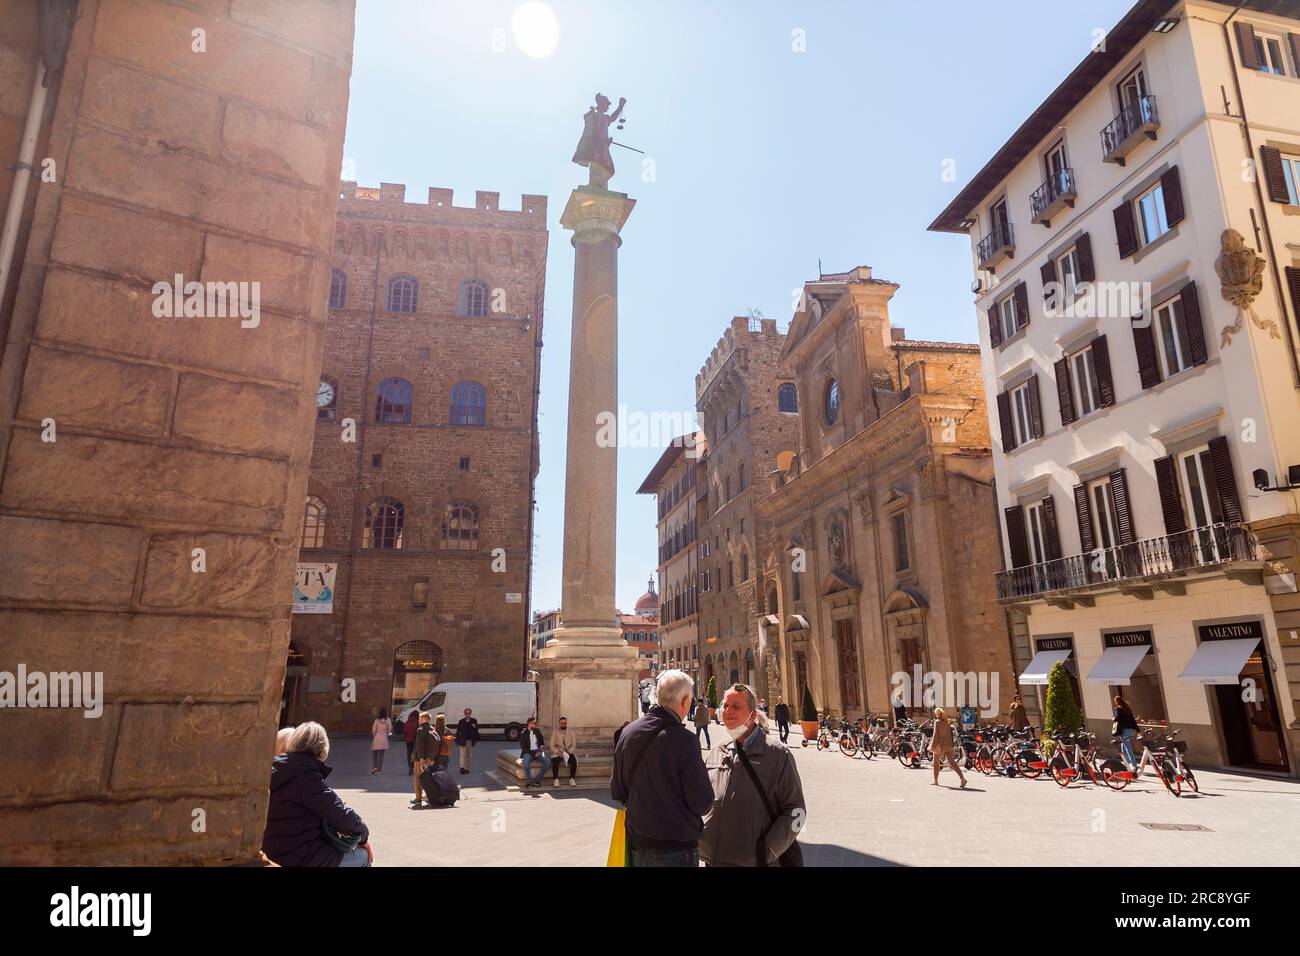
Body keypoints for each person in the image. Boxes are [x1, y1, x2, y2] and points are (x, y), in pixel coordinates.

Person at [611, 669, 713, 867]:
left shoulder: (628, 733)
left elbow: (617, 791)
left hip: (637, 844)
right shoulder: (685, 740)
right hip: (675, 848)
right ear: (684, 700)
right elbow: (702, 801)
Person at [700, 684, 805, 867]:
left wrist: (766, 852)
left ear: (753, 715)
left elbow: (797, 812)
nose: (728, 711)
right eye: (725, 705)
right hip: (712, 861)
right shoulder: (717, 751)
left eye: (736, 706)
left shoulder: (778, 755)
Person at [263, 722, 372, 867]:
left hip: (271, 851)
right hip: (300, 857)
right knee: (364, 857)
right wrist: (364, 838)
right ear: (322, 750)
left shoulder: (273, 769)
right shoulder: (306, 776)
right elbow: (343, 816)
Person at [928, 707, 967, 788]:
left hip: (940, 745)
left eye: (936, 713)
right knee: (952, 762)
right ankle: (962, 778)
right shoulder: (947, 722)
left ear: (938, 714)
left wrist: (933, 746)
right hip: (949, 745)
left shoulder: (937, 722)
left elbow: (935, 735)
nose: (935, 715)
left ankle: (935, 780)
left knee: (936, 763)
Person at [410, 712, 435, 808]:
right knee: (428, 778)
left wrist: (421, 758)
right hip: (430, 758)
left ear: (425, 718)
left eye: (420, 718)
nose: (419, 720)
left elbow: (420, 746)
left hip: (420, 759)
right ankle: (430, 797)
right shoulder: (432, 728)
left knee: (417, 778)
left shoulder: (420, 730)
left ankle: (418, 798)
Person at [550, 715, 578, 787]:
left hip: (568, 752)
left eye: (564, 723)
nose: (563, 724)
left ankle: (572, 779)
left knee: (574, 762)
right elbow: (551, 745)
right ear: (559, 724)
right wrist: (558, 752)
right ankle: (556, 779)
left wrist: (569, 752)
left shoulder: (571, 732)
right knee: (555, 763)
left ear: (567, 723)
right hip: (558, 752)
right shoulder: (555, 732)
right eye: (561, 723)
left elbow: (574, 745)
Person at [520, 717, 548, 788]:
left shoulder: (537, 731)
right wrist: (533, 754)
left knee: (548, 762)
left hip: (538, 751)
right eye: (534, 723)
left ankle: (537, 780)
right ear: (529, 724)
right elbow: (523, 747)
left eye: (535, 723)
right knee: (526, 763)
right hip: (528, 752)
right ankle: (528, 782)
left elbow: (542, 742)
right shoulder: (523, 733)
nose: (535, 725)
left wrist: (541, 748)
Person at [1114, 695, 1140, 766]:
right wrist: (1138, 731)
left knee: (1128, 748)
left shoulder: (1118, 709)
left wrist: (1114, 719)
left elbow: (1117, 719)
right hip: (1130, 731)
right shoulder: (1127, 709)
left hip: (1123, 731)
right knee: (1124, 745)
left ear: (1117, 702)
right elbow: (1133, 721)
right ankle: (1126, 762)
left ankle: (1134, 765)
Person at [454, 707, 480, 776]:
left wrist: (475, 727)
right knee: (462, 755)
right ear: (464, 714)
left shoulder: (474, 721)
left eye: (468, 713)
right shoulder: (461, 721)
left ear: (470, 714)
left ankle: (467, 768)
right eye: (466, 713)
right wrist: (457, 740)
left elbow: (477, 730)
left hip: (470, 741)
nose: (467, 715)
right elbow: (458, 731)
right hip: (462, 740)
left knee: (469, 755)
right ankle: (462, 768)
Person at [370, 709, 391, 774]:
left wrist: (374, 737)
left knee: (374, 753)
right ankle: (379, 770)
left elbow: (373, 730)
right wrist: (387, 734)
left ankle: (374, 767)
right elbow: (390, 729)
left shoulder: (376, 721)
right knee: (381, 755)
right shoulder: (388, 720)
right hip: (384, 739)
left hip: (376, 738)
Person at [403, 708, 418, 773]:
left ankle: (410, 767)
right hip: (415, 740)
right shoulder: (417, 722)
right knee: (415, 754)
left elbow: (405, 731)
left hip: (408, 740)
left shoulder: (408, 722)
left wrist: (406, 737)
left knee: (409, 754)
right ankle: (414, 767)